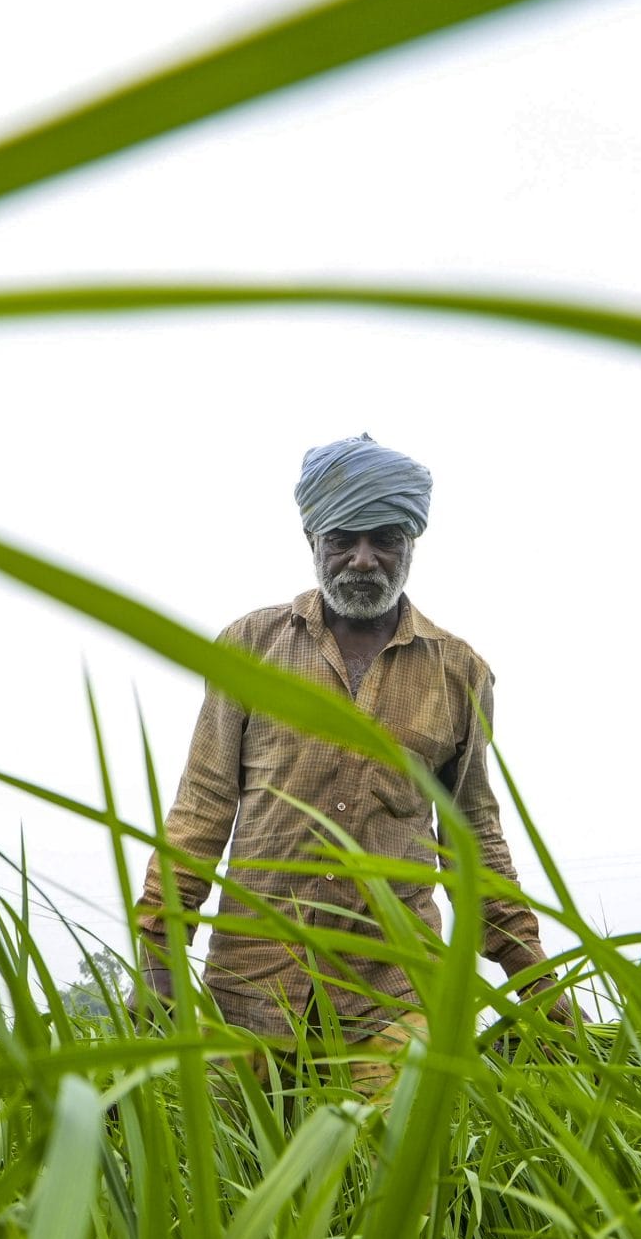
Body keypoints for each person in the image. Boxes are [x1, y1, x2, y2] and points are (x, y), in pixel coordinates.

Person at [132, 433, 573, 1096]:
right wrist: (159, 945)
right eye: (344, 538)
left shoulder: (458, 672)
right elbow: (203, 802)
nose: (363, 558)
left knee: (391, 1165)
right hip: (253, 982)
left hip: (390, 989)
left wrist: (532, 975)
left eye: (384, 539)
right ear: (313, 538)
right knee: (225, 1176)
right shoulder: (249, 647)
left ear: (410, 544)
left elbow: (474, 840)